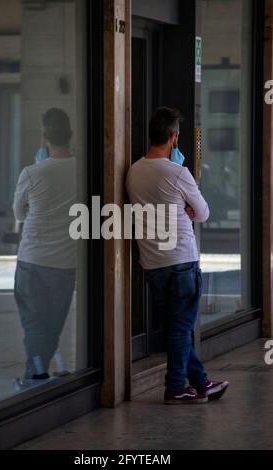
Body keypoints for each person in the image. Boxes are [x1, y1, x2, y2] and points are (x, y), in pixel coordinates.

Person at [126, 106, 229, 404]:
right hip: (181, 261)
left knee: (177, 329)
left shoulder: (133, 171)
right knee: (181, 328)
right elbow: (204, 212)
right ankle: (174, 388)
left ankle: (201, 382)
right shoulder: (177, 172)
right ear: (173, 138)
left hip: (152, 263)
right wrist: (186, 209)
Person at [13, 108, 76, 383]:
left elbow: (18, 213)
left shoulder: (32, 172)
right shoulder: (83, 171)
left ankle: (35, 377)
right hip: (64, 265)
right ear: (71, 136)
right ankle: (36, 375)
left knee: (34, 324)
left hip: (32, 261)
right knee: (51, 326)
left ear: (44, 137)